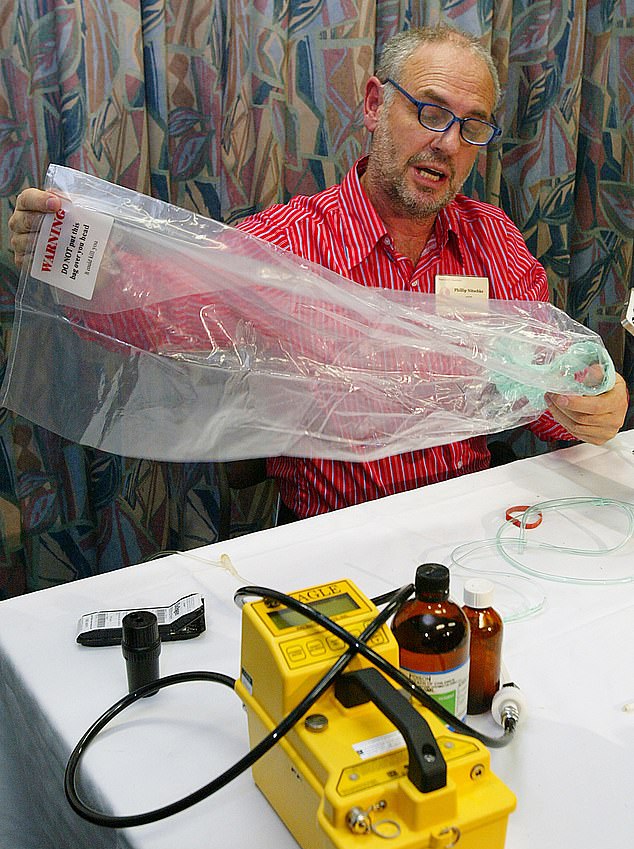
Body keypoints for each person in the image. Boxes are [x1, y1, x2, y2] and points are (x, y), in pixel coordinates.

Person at [9, 25, 627, 522]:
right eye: (431, 112)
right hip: (333, 542)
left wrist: (600, 402)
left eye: (472, 126)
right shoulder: (285, 247)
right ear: (375, 104)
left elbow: (548, 390)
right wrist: (75, 258)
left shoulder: (492, 241)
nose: (448, 143)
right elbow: (155, 319)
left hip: (462, 528)